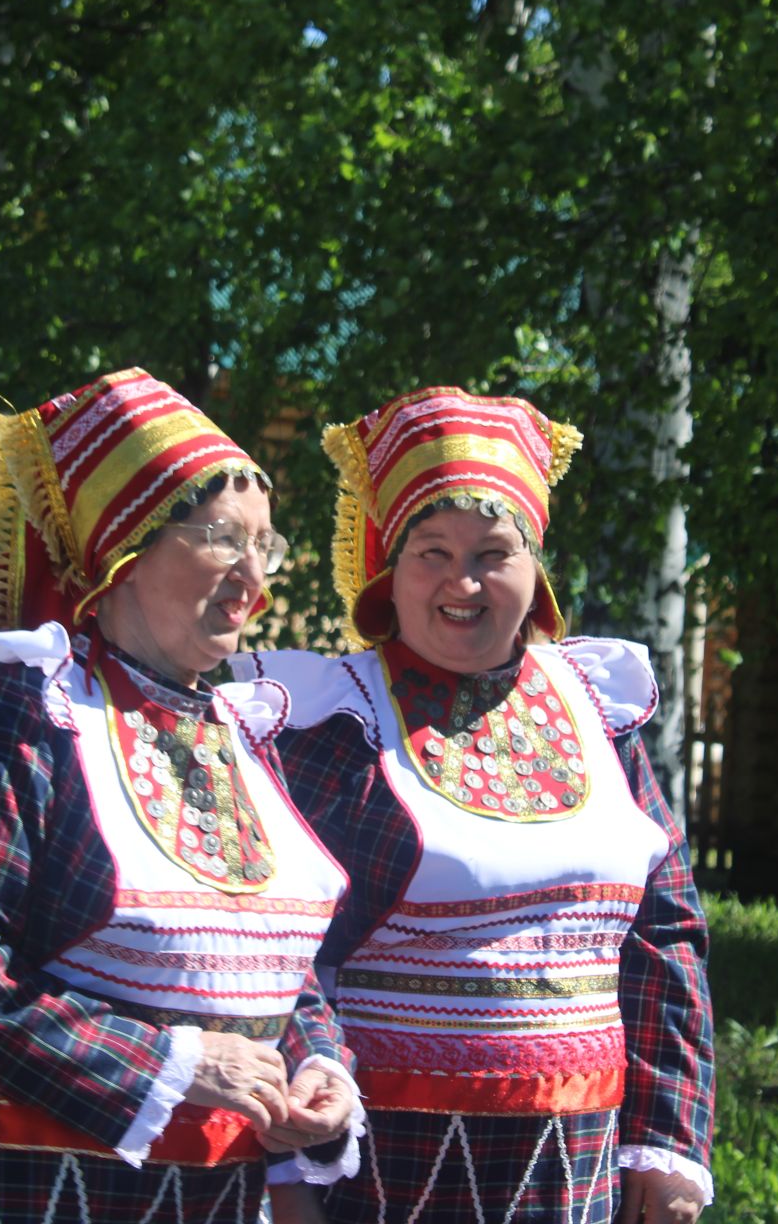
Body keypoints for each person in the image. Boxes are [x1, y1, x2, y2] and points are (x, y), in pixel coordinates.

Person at [0, 369, 362, 1224]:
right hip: (16, 1188)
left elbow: (268, 962)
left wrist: (318, 1067)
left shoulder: (242, 730)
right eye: (222, 537)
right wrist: (172, 1064)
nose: (251, 576)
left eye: (265, 545)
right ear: (124, 546)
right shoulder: (32, 709)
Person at [233, 386, 715, 1223]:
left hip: (583, 1168)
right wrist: (291, 1179)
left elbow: (664, 937)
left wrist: (669, 1144)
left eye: (494, 552)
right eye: (432, 551)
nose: (463, 580)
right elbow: (281, 955)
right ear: (392, 567)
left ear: (536, 570)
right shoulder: (336, 725)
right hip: (388, 1170)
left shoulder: (599, 713)